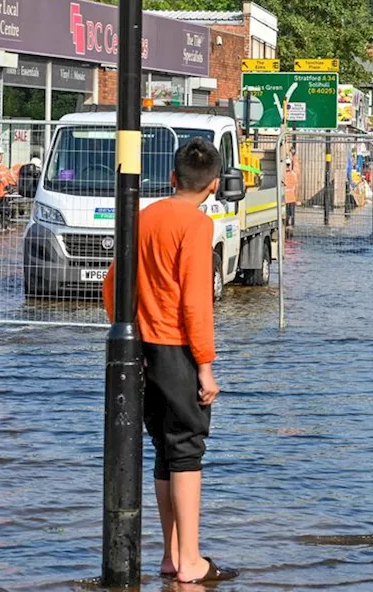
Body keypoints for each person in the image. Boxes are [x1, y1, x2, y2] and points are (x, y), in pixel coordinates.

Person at [102, 138, 238, 585]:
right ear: (214, 185)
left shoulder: (142, 217)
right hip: (178, 348)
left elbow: (111, 287)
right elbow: (196, 302)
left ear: (172, 178)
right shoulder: (196, 226)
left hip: (140, 349)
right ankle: (191, 561)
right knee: (187, 450)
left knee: (163, 449)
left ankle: (170, 554)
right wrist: (204, 364)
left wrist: (130, 336)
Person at [283, 155, 298, 238]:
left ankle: (289, 228)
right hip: (288, 199)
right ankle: (289, 229)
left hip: (288, 199)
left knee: (289, 216)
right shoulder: (292, 174)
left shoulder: (288, 174)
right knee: (289, 216)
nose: (287, 167)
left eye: (288, 165)